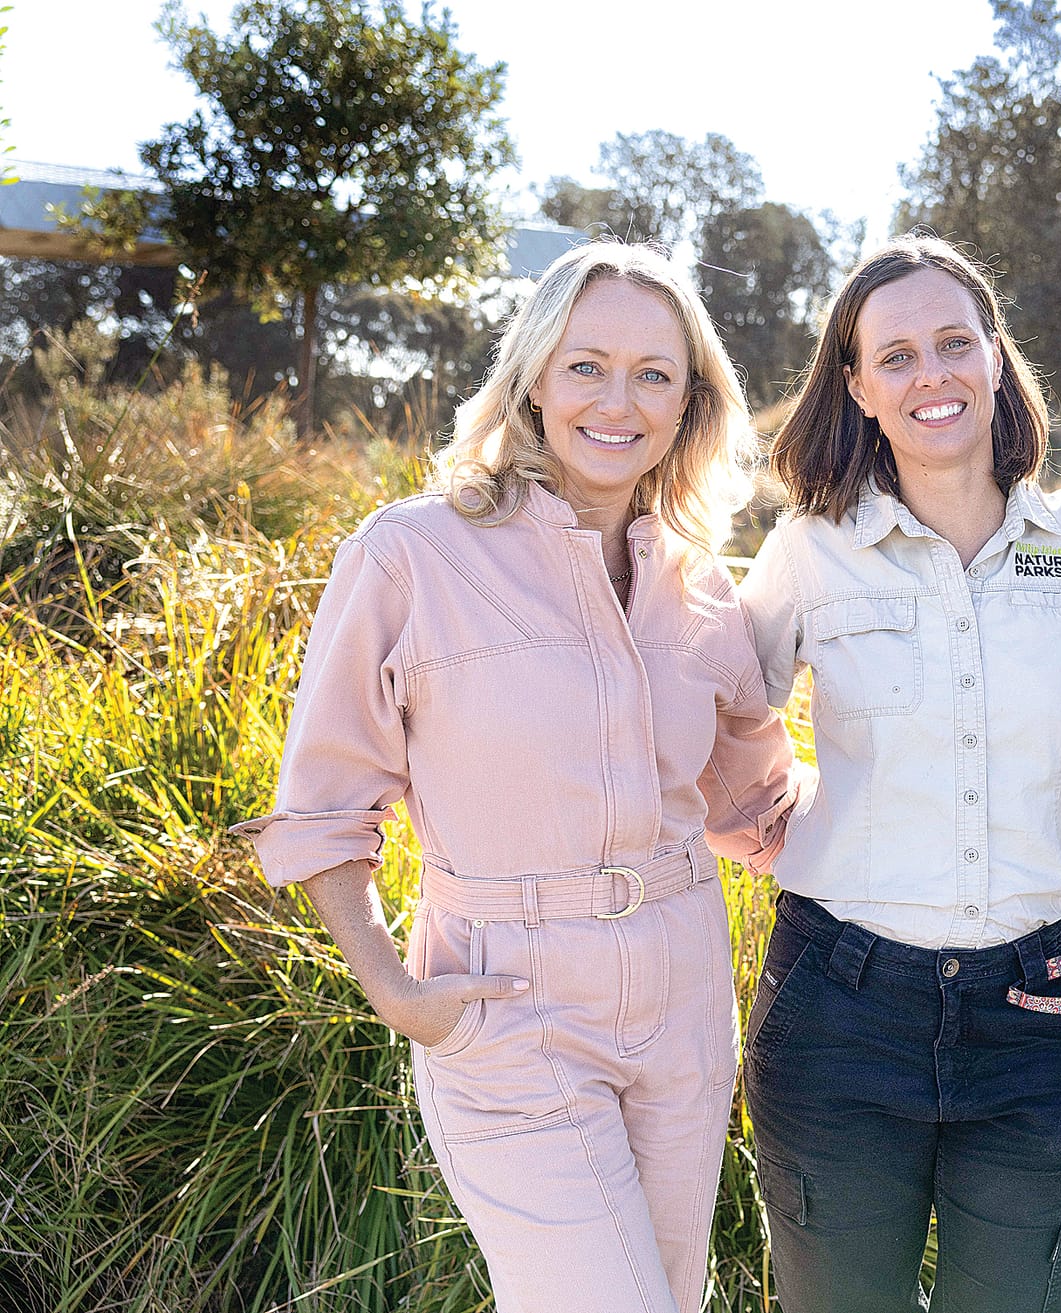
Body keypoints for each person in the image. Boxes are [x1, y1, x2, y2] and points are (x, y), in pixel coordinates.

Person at [233, 240, 808, 1313]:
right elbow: (322, 807)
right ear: (534, 377)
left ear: (690, 404)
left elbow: (754, 807)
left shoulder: (700, 584)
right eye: (586, 366)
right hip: (506, 1007)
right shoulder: (412, 554)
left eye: (653, 374)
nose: (617, 402)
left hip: (683, 1001)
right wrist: (394, 990)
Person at [737, 235, 1061, 1313]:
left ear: (997, 356)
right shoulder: (809, 551)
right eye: (898, 355)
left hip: (1036, 1009)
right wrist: (750, 810)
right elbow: (722, 706)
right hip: (840, 1011)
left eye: (955, 343)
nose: (933, 374)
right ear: (859, 387)